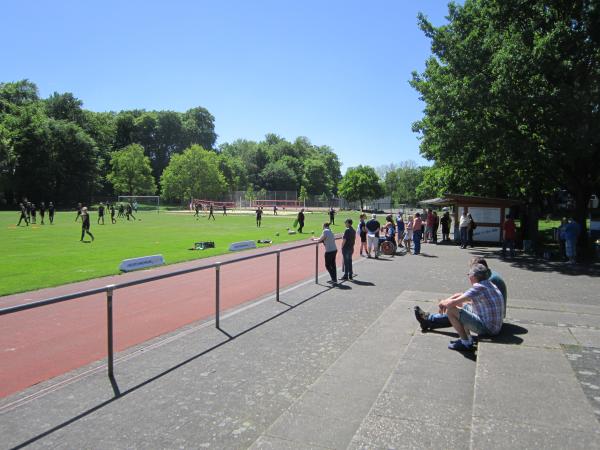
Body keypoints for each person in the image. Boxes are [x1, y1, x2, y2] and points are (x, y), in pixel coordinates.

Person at [414, 257, 508, 331]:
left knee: (455, 310)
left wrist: (446, 302)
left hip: (491, 322)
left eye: (471, 272)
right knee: (462, 307)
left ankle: (465, 341)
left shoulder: (486, 282)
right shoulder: (487, 277)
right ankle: (429, 319)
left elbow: (463, 299)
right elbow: (465, 296)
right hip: (492, 316)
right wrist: (450, 299)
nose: (470, 275)